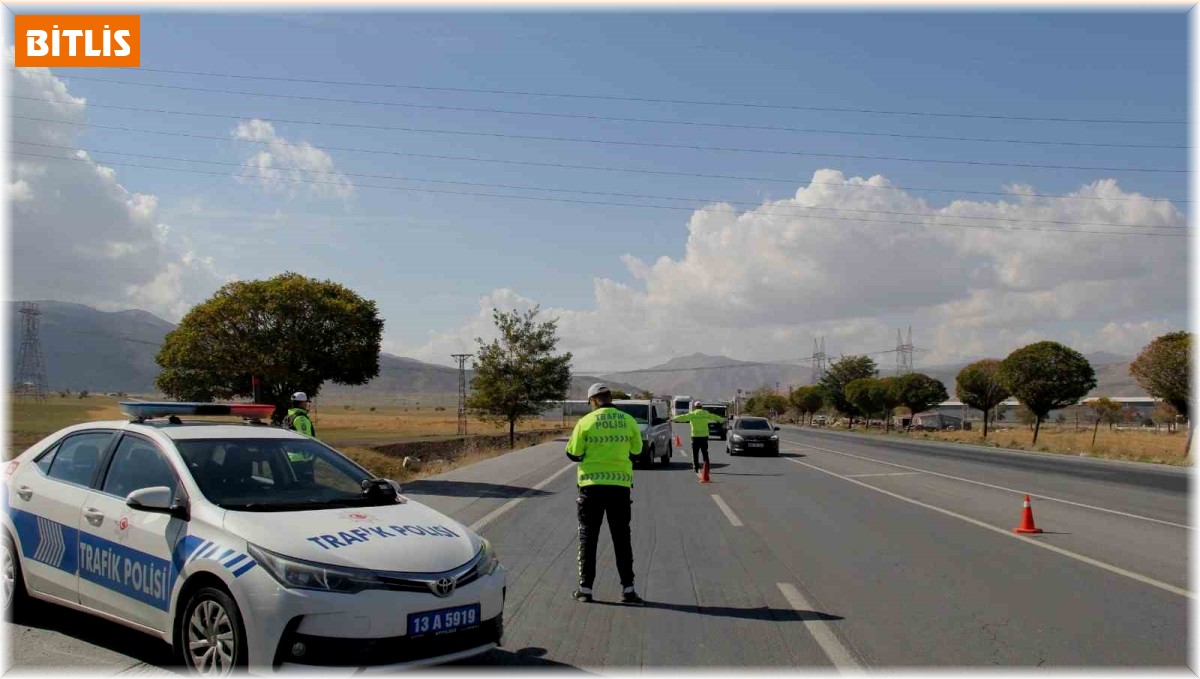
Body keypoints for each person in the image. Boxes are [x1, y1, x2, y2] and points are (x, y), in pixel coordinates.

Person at [564, 383, 645, 605]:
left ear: (593, 401)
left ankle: (585, 589)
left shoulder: (586, 422)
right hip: (619, 488)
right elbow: (637, 451)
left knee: (588, 538)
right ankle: (628, 590)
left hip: (591, 488)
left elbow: (573, 453)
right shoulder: (628, 421)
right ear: (610, 398)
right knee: (621, 539)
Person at [673, 400, 726, 472]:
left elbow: (683, 417)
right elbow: (714, 417)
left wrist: (673, 419)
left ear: (695, 407)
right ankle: (706, 468)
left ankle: (696, 467)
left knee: (695, 453)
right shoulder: (705, 413)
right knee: (705, 452)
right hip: (704, 436)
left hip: (695, 436)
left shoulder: (692, 414)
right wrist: (722, 419)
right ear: (701, 407)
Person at [283, 392, 317, 481]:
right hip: (302, 459)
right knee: (307, 488)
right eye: (306, 402)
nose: (307, 404)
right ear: (302, 403)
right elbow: (305, 440)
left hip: (289, 457)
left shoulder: (288, 417)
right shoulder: (301, 418)